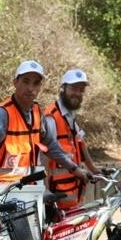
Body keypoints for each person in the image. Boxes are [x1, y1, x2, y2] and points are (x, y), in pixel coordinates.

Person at [0, 60, 90, 184]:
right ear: (15, 82)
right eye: (26, 81)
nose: (30, 88)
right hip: (0, 187)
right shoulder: (2, 113)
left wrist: (74, 168)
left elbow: (51, 146)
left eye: (36, 84)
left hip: (26, 187)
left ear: (40, 87)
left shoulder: (37, 113)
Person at [43, 68, 101, 209]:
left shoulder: (70, 115)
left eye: (81, 90)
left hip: (72, 188)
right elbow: (44, 152)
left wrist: (93, 169)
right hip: (56, 192)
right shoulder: (51, 117)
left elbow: (80, 144)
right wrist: (44, 190)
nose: (78, 93)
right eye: (74, 88)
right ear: (63, 88)